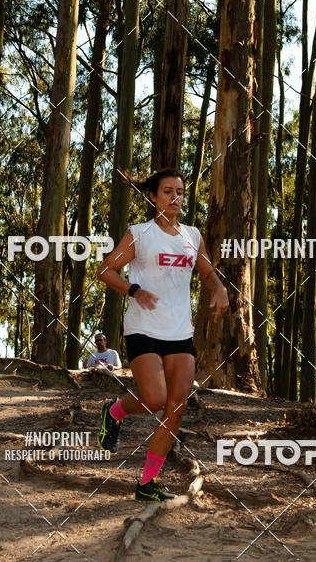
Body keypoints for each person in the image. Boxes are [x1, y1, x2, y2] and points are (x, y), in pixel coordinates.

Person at [96, 167, 229, 502]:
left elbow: (208, 272)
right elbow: (106, 270)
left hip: (180, 332)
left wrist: (220, 288)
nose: (175, 197)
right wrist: (133, 289)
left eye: (180, 192)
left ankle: (147, 483)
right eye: (167, 191)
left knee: (175, 407)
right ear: (153, 197)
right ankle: (114, 412)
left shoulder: (192, 236)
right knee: (154, 399)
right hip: (143, 328)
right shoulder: (140, 234)